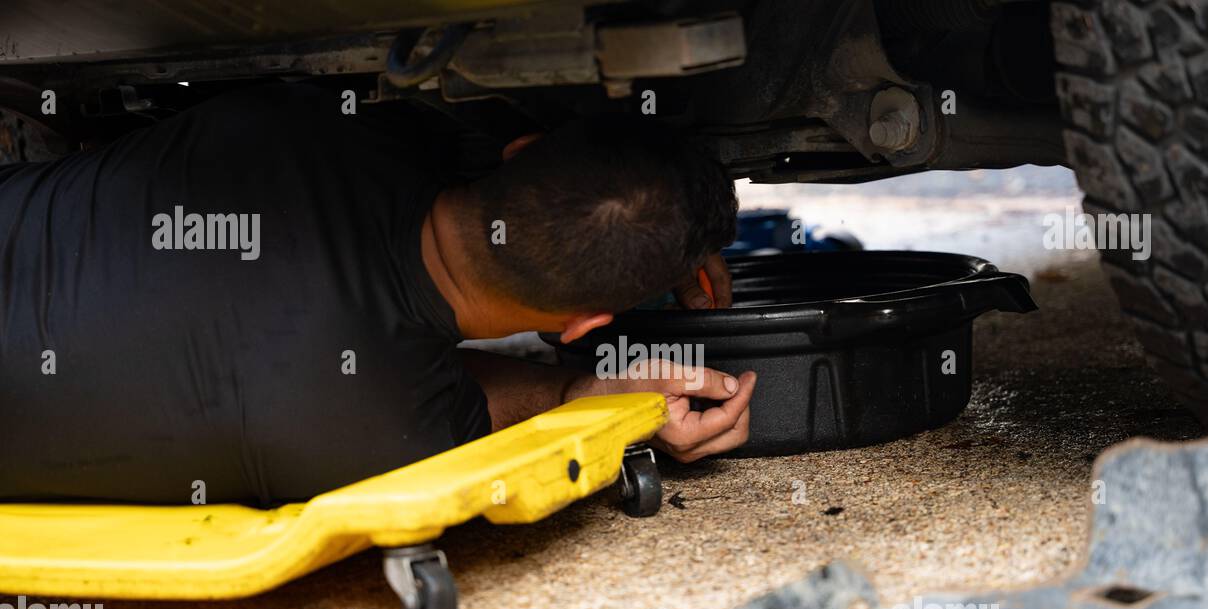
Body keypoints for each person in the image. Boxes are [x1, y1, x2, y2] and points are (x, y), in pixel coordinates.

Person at [0, 82, 756, 505]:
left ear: (518, 149)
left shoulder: (302, 115)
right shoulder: (387, 440)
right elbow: (479, 401)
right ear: (583, 322)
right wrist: (585, 389)